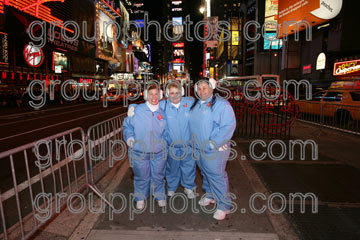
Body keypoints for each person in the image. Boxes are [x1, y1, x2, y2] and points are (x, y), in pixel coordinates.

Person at [128, 81, 197, 199]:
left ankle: (189, 187)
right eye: (172, 93)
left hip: (188, 145)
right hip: (171, 145)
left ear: (182, 93)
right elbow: (147, 105)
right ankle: (171, 187)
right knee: (171, 168)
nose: (175, 95)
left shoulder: (190, 102)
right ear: (166, 94)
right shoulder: (163, 105)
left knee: (189, 167)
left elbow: (204, 102)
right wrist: (132, 106)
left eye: (177, 92)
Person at [189, 78, 236, 220]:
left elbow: (228, 126)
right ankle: (210, 195)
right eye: (199, 88)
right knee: (205, 173)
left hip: (214, 149)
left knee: (216, 176)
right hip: (198, 148)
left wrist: (214, 143)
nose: (202, 91)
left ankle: (224, 206)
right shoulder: (196, 104)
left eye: (205, 87)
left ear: (212, 88)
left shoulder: (221, 105)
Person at [123, 84, 168, 210]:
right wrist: (129, 137)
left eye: (156, 94)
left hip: (159, 152)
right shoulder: (137, 110)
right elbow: (127, 126)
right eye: (151, 94)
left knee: (158, 175)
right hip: (140, 151)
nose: (154, 97)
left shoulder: (163, 112)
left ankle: (159, 196)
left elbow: (167, 132)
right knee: (141, 176)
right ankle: (140, 198)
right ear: (146, 95)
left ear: (160, 95)